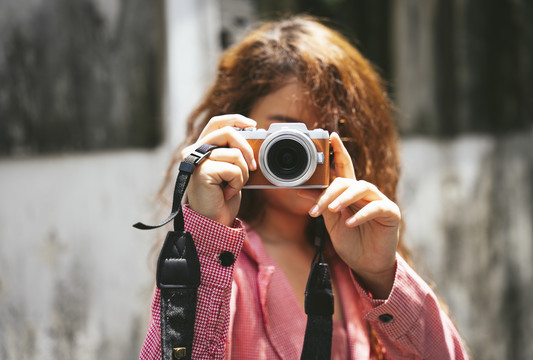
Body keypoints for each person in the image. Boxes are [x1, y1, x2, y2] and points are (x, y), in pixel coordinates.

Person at [139, 15, 468, 359]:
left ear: (352, 143)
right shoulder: (218, 267)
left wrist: (382, 275)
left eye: (321, 135)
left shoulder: (356, 263)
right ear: (237, 134)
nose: (303, 154)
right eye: (287, 137)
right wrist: (204, 236)